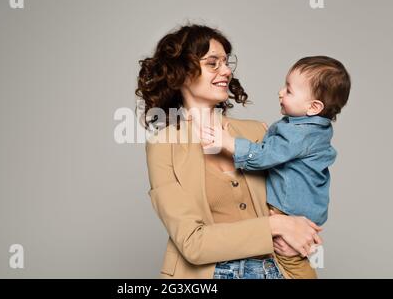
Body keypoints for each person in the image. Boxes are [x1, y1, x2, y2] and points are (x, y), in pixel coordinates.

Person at [136, 24, 322, 279]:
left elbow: (297, 208)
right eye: (213, 63)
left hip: (277, 271)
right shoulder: (163, 146)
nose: (226, 71)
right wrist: (275, 226)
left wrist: (289, 233)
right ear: (181, 73)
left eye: (226, 62)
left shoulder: (258, 132)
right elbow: (193, 243)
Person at [200, 56, 351, 278]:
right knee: (289, 257)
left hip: (290, 209)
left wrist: (229, 142)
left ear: (313, 107)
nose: (281, 92)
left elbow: (264, 157)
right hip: (305, 209)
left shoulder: (300, 133)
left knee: (289, 258)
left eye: (289, 91)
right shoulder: (306, 128)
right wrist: (267, 135)